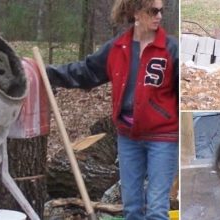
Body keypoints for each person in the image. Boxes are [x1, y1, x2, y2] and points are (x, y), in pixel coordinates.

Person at [46, 0, 179, 219]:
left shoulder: (171, 49)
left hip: (162, 138)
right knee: (132, 206)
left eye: (161, 11)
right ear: (136, 12)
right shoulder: (118, 48)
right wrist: (48, 73)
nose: (159, 16)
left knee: (156, 207)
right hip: (128, 137)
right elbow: (85, 72)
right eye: (153, 11)